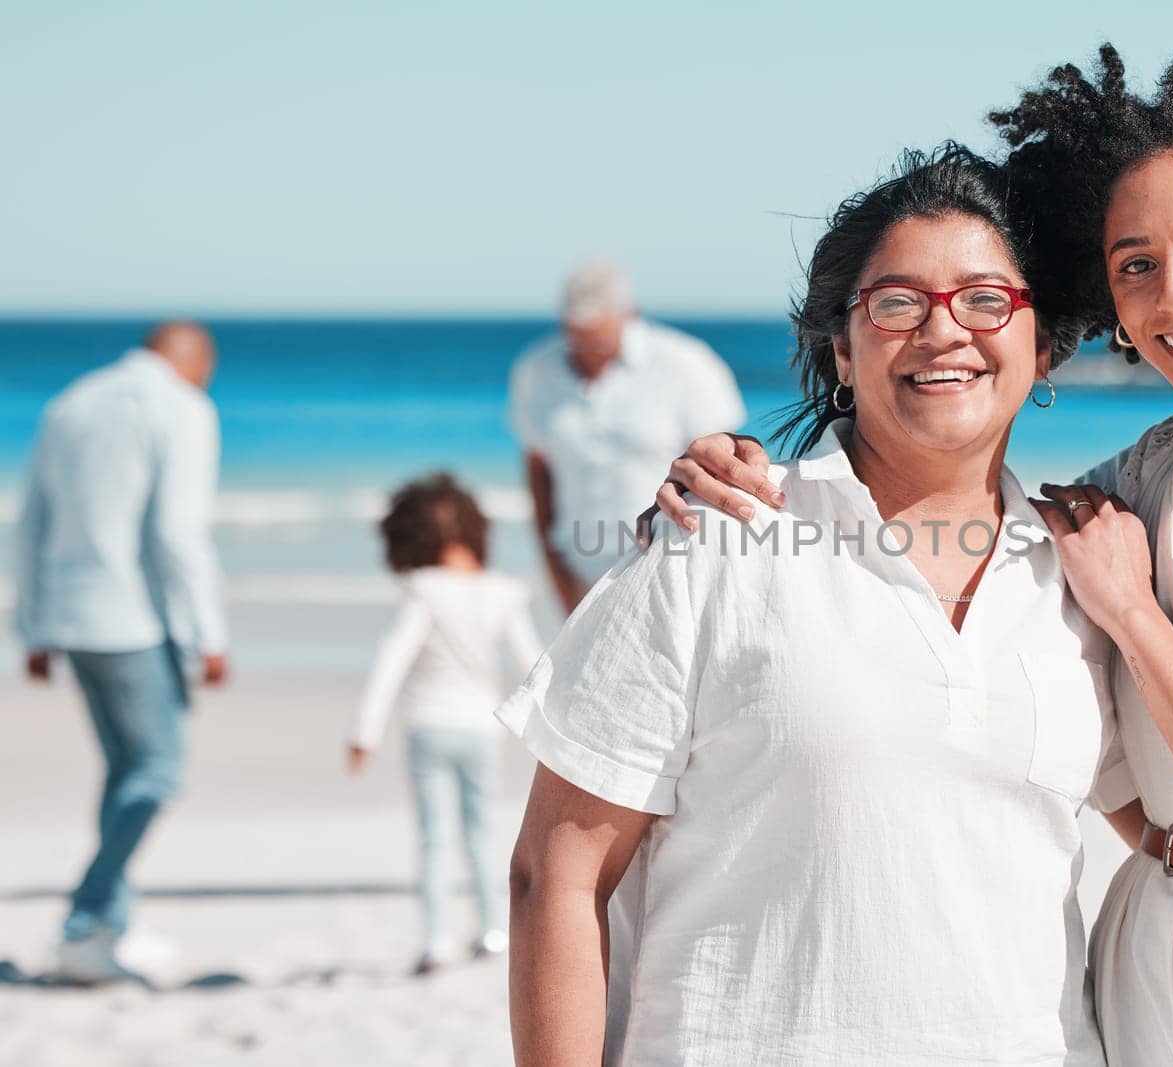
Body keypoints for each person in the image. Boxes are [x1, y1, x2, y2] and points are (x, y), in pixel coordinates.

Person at [652, 20, 1173, 1066]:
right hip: (1142, 974)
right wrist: (743, 479)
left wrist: (1138, 617)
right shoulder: (1140, 478)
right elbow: (943, 526)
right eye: (1135, 264)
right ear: (1112, 311)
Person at [500, 146, 1116, 1064]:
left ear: (1042, 340)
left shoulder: (1093, 570)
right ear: (842, 345)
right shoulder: (718, 539)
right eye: (898, 302)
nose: (945, 332)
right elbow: (554, 872)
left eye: (987, 299)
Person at [14, 322, 229, 985]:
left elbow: (33, 519)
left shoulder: (71, 401)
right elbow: (176, 530)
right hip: (135, 619)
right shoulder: (182, 407)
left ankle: (110, 925)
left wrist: (34, 624)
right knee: (159, 770)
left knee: (124, 771)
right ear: (194, 362)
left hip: (74, 616)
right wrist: (208, 633)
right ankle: (84, 918)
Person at [346, 473, 542, 976]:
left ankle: (435, 941)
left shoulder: (423, 591)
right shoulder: (504, 593)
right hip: (483, 729)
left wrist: (364, 732)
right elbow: (534, 665)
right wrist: (555, 726)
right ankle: (492, 931)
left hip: (429, 728)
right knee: (481, 833)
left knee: (434, 838)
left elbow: (391, 662)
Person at [507, 261, 746, 617]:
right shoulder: (535, 371)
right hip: (581, 575)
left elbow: (727, 463)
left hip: (676, 570)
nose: (587, 346)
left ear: (629, 314)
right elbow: (539, 471)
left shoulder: (685, 364)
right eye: (577, 332)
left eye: (598, 334)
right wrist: (557, 575)